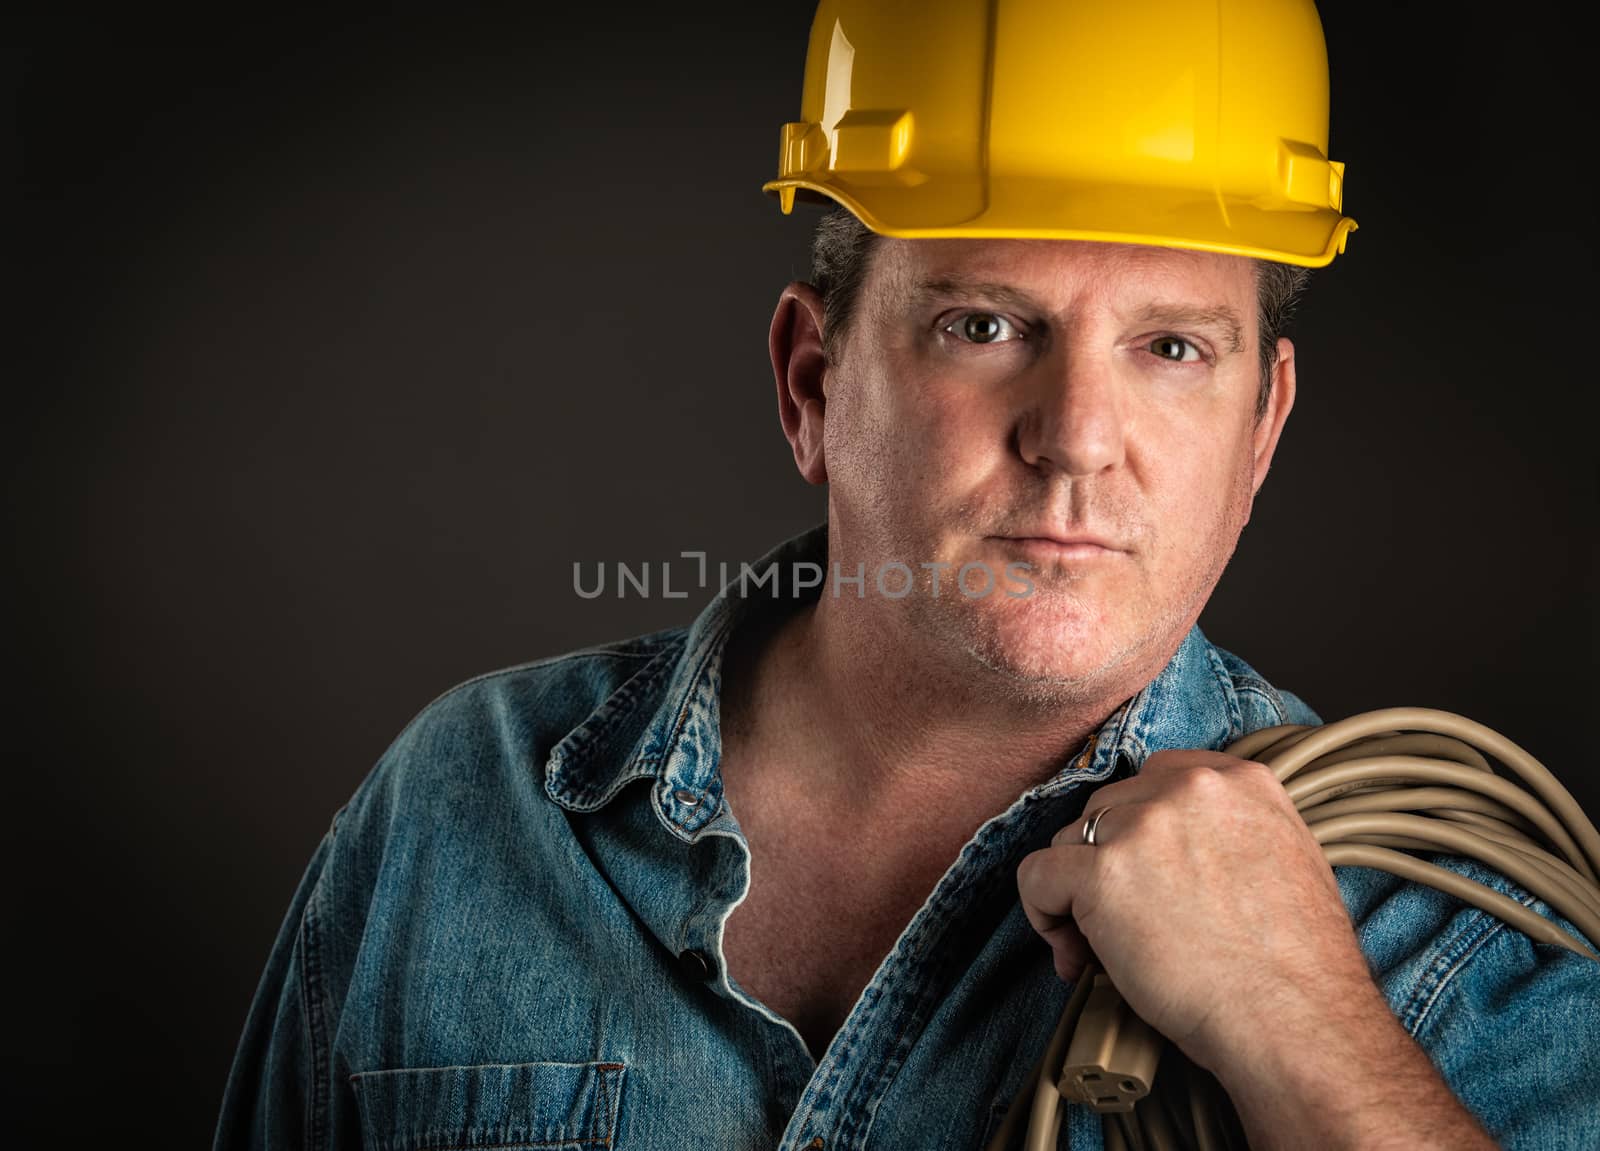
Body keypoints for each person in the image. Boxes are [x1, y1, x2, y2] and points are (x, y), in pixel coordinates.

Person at [213, 2, 1598, 1148]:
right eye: (986, 324)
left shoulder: (1437, 938)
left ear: (1263, 433)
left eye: (1172, 348)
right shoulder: (461, 814)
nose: (1077, 440)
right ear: (812, 384)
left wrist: (1303, 1027)